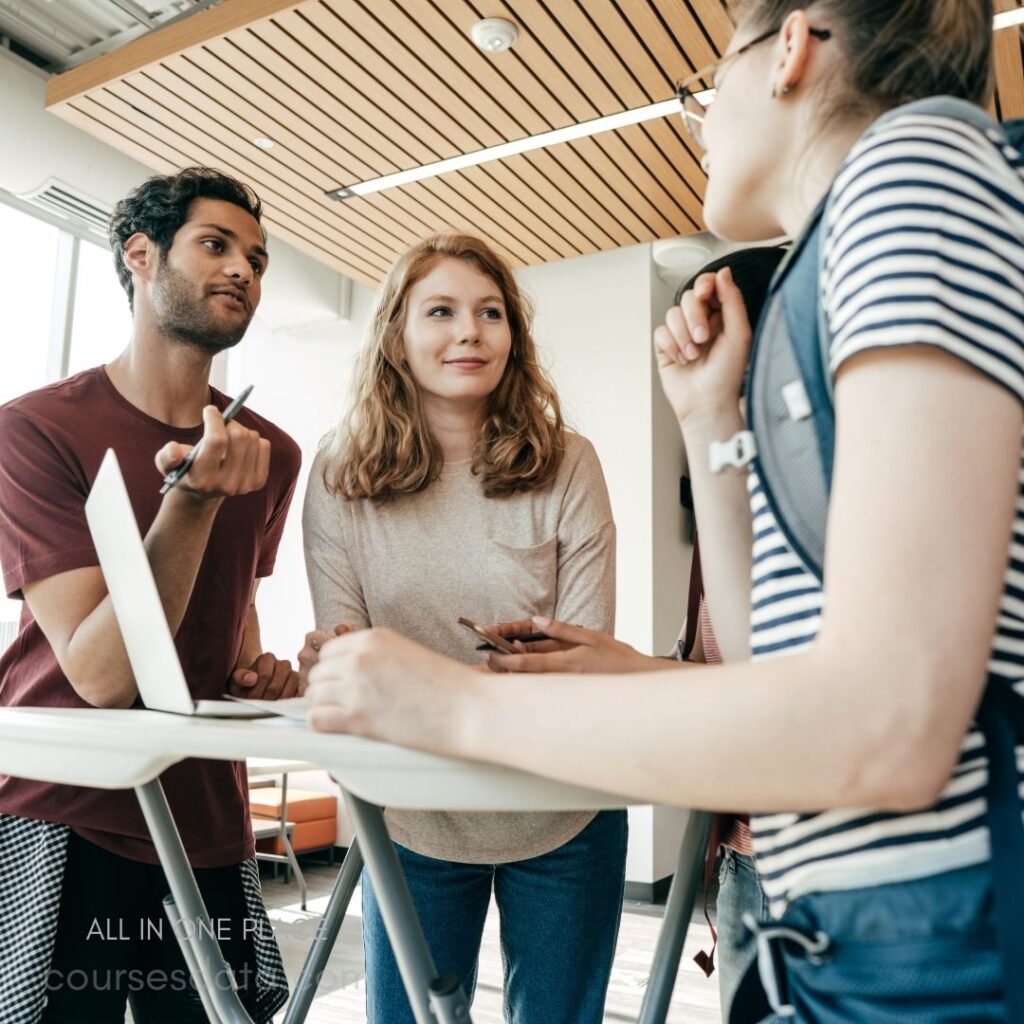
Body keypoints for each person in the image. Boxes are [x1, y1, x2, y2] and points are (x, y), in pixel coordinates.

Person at [305, 1, 1024, 1020]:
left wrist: (458, 704)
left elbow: (889, 722)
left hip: (944, 953)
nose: (699, 116)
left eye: (705, 78)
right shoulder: (838, 255)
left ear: (790, 47)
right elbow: (780, 662)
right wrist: (706, 422)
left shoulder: (912, 175)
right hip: (862, 942)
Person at [299, 232, 627, 1023]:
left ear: (513, 336)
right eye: (440, 311)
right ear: (397, 336)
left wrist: (405, 681)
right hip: (411, 812)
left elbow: (576, 665)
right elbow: (352, 672)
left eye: (490, 313)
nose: (469, 332)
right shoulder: (340, 474)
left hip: (564, 806)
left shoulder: (568, 462)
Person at [0, 167, 301, 1022]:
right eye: (215, 245)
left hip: (205, 810)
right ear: (141, 255)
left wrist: (261, 673)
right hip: (63, 810)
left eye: (257, 258)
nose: (243, 268)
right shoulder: (35, 429)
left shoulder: (269, 452)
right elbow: (102, 675)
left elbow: (232, 628)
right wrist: (195, 503)